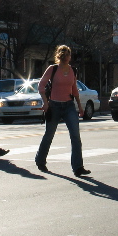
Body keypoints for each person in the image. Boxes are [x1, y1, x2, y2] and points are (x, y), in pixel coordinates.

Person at [35, 45, 90, 177]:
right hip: (54, 106)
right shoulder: (52, 69)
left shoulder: (73, 71)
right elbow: (41, 85)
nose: (66, 58)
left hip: (69, 106)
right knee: (49, 135)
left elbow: (74, 90)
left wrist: (80, 107)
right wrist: (45, 102)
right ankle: (40, 160)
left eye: (68, 55)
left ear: (70, 57)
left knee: (75, 136)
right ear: (59, 56)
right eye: (64, 56)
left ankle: (78, 167)